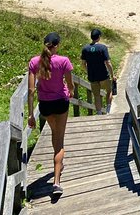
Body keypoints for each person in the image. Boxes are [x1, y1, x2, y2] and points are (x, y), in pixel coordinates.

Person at [27, 32, 74, 195]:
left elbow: (31, 90)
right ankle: (56, 182)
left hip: (45, 105)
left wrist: (31, 114)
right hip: (61, 102)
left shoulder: (34, 62)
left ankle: (58, 163)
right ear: (57, 45)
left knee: (55, 133)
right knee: (59, 141)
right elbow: (69, 82)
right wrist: (72, 91)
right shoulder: (63, 61)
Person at [81, 28, 114, 115]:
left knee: (96, 95)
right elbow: (108, 63)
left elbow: (83, 64)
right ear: (99, 37)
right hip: (103, 75)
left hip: (92, 76)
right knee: (109, 91)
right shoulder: (103, 48)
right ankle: (108, 111)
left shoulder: (85, 49)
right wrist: (112, 75)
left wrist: (88, 71)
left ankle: (99, 113)